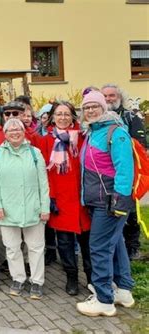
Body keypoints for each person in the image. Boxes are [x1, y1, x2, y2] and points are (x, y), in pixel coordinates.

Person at [76, 91, 135, 317]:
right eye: (86, 107)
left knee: (99, 248)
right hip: (98, 201)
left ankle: (103, 299)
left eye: (94, 106)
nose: (90, 111)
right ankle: (123, 289)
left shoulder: (115, 132)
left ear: (104, 108)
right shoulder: (93, 132)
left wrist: (120, 203)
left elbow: (124, 169)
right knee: (116, 243)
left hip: (109, 202)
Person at [0, 118, 50, 300]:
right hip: (6, 209)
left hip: (33, 208)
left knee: (36, 247)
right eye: (10, 130)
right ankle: (18, 279)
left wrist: (44, 207)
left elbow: (43, 183)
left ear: (24, 132)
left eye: (18, 129)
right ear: (5, 134)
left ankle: (37, 281)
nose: (15, 132)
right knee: (12, 247)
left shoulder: (34, 153)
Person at [40, 101, 92, 296]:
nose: (62, 118)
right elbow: (43, 172)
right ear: (52, 117)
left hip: (81, 200)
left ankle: (91, 277)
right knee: (64, 243)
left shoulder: (82, 138)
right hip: (59, 199)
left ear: (73, 117)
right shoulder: (45, 141)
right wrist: (50, 197)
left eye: (66, 114)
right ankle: (71, 277)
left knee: (87, 243)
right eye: (59, 114)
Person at [101, 83, 147, 261]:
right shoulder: (100, 118)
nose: (108, 99)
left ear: (119, 97)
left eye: (111, 95)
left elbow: (140, 145)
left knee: (131, 209)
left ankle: (133, 247)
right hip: (106, 172)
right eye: (105, 96)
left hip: (128, 170)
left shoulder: (130, 117)